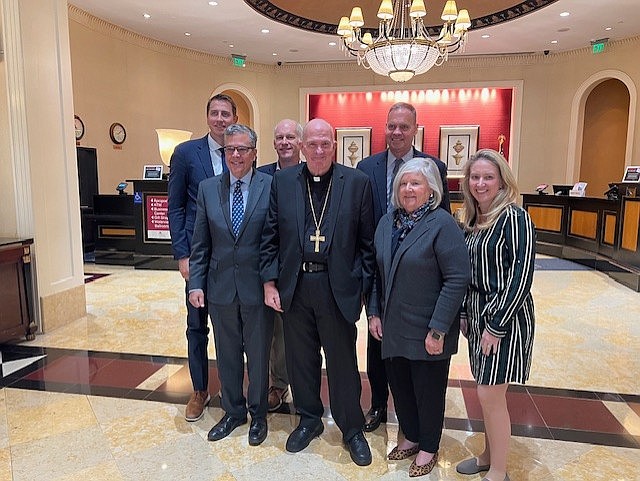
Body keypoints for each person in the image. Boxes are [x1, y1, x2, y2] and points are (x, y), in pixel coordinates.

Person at [260, 118, 375, 466]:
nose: (319, 150)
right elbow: (270, 237)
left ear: (335, 146)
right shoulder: (282, 182)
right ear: (301, 146)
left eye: (326, 143)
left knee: (342, 363)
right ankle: (309, 420)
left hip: (337, 288)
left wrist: (361, 292)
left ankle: (351, 428)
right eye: (313, 144)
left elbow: (367, 246)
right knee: (301, 361)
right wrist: (269, 282)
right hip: (295, 285)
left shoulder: (357, 183)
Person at [367, 158, 469, 477]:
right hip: (394, 326)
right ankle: (410, 435)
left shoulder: (442, 224)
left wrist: (438, 330)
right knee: (401, 386)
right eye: (403, 183)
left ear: (431, 190)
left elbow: (457, 278)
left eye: (416, 183)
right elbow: (376, 274)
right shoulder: (388, 222)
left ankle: (428, 445)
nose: (408, 189)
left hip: (428, 328)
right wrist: (373, 313)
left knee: (428, 391)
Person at [357, 102, 451, 432]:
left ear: (415, 129)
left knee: (417, 348)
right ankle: (379, 404)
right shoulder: (366, 166)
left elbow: (444, 220)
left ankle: (414, 416)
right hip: (380, 266)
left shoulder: (434, 166)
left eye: (404, 127)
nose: (397, 132)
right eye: (392, 125)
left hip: (418, 272)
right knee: (378, 343)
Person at [188, 124, 274, 446]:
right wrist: (195, 284)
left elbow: (275, 240)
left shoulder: (270, 186)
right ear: (223, 153)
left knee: (258, 355)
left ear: (254, 153)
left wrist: (272, 282)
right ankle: (233, 412)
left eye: (242, 149)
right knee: (226, 356)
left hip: (257, 288)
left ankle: (259, 415)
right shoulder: (208, 189)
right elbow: (200, 244)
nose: (236, 155)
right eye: (230, 150)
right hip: (220, 287)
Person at [456, 149, 536, 481]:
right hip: (476, 316)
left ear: (502, 180)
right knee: (484, 392)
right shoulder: (471, 219)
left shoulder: (514, 218)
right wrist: (463, 312)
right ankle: (489, 456)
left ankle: (499, 471)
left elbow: (522, 275)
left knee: (491, 394)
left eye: (488, 177)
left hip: (505, 317)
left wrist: (497, 325)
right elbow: (463, 271)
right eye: (475, 177)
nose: (481, 183)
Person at [168, 93, 237, 422]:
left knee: (228, 327)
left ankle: (228, 386)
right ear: (207, 116)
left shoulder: (240, 152)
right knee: (197, 327)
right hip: (198, 258)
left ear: (234, 118)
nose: (220, 119)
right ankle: (199, 389)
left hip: (229, 260)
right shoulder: (185, 154)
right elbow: (176, 206)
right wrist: (183, 254)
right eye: (215, 113)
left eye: (226, 114)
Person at [257, 119, 303, 412]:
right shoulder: (260, 176)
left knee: (295, 333)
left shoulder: (309, 174)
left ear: (300, 142)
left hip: (300, 268)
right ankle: (272, 384)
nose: (285, 142)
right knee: (272, 330)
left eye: (290, 137)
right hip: (266, 264)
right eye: (279, 137)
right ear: (273, 143)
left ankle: (294, 385)